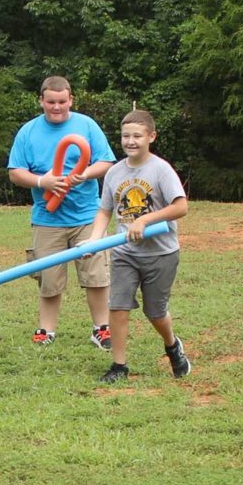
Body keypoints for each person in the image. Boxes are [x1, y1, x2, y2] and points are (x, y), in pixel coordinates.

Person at [6, 76, 116, 348]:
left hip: (88, 216)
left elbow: (106, 161)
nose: (57, 107)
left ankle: (101, 329)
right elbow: (15, 173)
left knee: (96, 275)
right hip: (47, 219)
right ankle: (46, 331)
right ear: (41, 101)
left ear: (71, 100)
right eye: (51, 102)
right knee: (49, 277)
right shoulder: (28, 132)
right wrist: (43, 181)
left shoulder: (86, 125)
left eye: (62, 102)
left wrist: (85, 173)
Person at [88, 110, 193, 383]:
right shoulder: (114, 172)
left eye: (137, 135)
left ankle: (172, 345)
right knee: (118, 307)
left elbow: (180, 206)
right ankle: (119, 367)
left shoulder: (160, 169)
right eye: (125, 136)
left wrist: (146, 219)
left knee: (155, 312)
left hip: (161, 253)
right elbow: (104, 211)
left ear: (151, 137)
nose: (130, 141)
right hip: (125, 252)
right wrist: (95, 238)